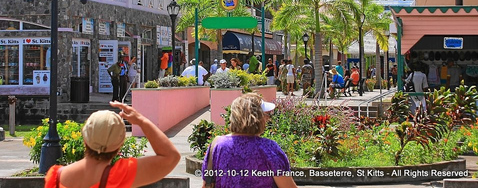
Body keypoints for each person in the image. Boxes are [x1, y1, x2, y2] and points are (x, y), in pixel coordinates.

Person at [45, 101, 180, 188]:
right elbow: (170, 157)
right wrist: (141, 121)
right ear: (120, 144)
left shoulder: (55, 177)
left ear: (85, 138)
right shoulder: (119, 175)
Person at [201, 93, 297, 188]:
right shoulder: (269, 148)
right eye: (265, 115)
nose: (267, 118)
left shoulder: (217, 145)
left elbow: (207, 184)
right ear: (259, 119)